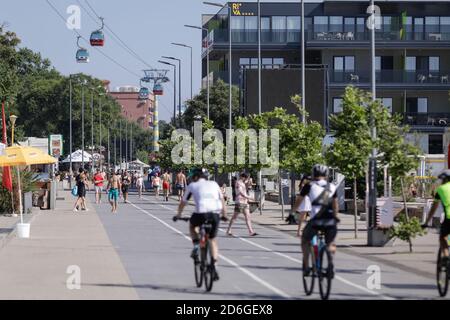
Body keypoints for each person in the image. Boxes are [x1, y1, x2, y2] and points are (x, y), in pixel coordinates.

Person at [174, 168, 228, 281]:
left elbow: (183, 202)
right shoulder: (214, 184)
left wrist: (178, 215)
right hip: (215, 214)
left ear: (195, 177)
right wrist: (224, 214)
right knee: (212, 240)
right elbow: (222, 200)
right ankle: (214, 266)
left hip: (200, 214)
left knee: (192, 226)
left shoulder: (192, 186)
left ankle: (196, 245)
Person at [294, 164, 340, 277]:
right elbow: (335, 206)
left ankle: (306, 266)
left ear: (313, 174)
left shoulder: (309, 186)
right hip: (330, 221)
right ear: (326, 174)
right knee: (331, 243)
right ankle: (330, 260)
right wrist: (335, 216)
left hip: (316, 221)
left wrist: (292, 213)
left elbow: (299, 201)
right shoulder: (332, 187)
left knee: (305, 239)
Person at [423, 170, 450, 264]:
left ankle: (446, 257)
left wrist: (426, 222)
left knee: (442, 238)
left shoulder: (441, 189)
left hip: (449, 219)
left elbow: (433, 209)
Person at [226, 172, 258, 237]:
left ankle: (251, 231)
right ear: (242, 177)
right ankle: (228, 230)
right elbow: (241, 193)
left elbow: (244, 192)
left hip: (245, 202)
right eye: (246, 178)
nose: (246, 179)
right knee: (234, 217)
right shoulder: (238, 183)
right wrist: (249, 197)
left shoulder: (243, 183)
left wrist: (247, 198)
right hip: (239, 202)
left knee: (248, 216)